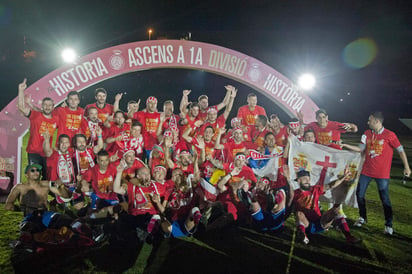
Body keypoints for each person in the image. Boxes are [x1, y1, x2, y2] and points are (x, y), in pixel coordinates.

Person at [340, 111, 411, 235]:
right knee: (359, 194)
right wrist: (345, 145)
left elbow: (401, 150)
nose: (367, 123)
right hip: (366, 171)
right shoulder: (366, 134)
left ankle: (388, 225)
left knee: (385, 199)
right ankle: (362, 217)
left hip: (382, 174)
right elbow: (360, 149)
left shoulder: (390, 135)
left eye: (370, 120)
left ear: (377, 121)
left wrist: (407, 167)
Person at [292, 169, 360, 244]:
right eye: (305, 179)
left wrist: (344, 176)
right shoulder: (294, 194)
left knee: (335, 211)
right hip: (306, 224)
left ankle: (349, 237)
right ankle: (302, 235)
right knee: (299, 213)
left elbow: (330, 185)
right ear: (298, 181)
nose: (308, 181)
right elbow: (289, 208)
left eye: (308, 179)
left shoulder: (314, 189)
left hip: (320, 222)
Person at [17, 78, 59, 179]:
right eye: (45, 105)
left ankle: (44, 194)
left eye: (50, 105)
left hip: (47, 152)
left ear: (53, 107)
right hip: (34, 152)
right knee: (34, 177)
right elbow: (21, 107)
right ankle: (33, 193)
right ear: (42, 106)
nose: (47, 107)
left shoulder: (56, 119)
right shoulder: (35, 116)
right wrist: (21, 91)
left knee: (46, 177)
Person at [5, 164, 71, 227]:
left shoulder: (48, 184)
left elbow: (66, 196)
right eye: (32, 171)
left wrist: (61, 186)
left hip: (45, 214)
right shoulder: (19, 187)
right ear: (26, 175)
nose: (36, 172)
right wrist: (21, 209)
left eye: (38, 170)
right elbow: (8, 205)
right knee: (30, 229)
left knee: (64, 221)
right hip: (30, 216)